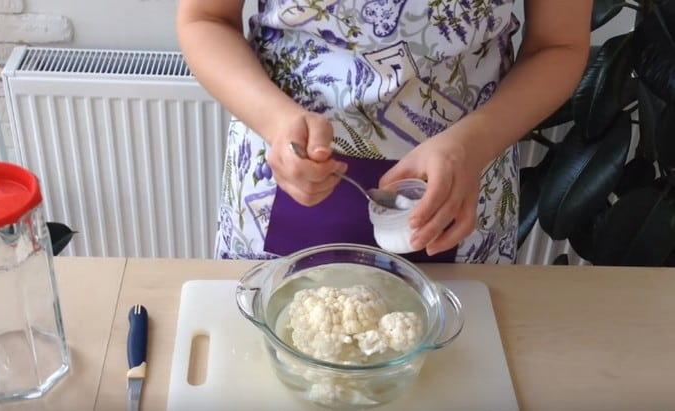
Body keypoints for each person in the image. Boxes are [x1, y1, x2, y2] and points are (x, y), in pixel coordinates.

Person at [177, 0, 591, 263]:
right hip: (282, 174)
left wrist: (472, 144)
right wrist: (275, 120)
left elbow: (558, 45)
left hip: (462, 181)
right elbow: (205, 18)